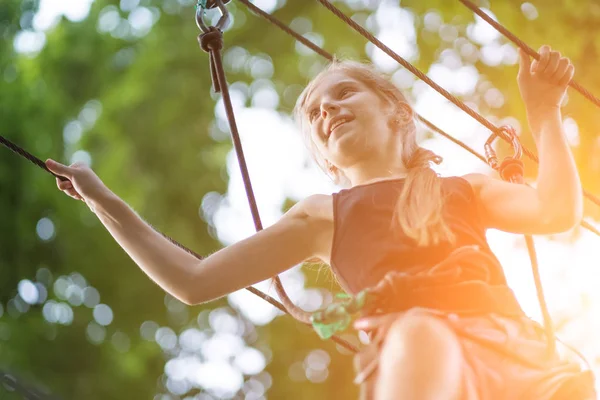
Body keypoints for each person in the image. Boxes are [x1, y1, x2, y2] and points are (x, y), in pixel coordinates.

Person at [45, 45, 594, 399]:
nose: (326, 109)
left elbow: (555, 210)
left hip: (511, 355)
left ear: (398, 111)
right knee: (423, 334)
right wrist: (105, 203)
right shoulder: (322, 215)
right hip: (417, 353)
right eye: (314, 113)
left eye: (344, 92)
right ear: (326, 157)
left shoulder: (464, 188)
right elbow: (194, 281)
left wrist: (545, 112)